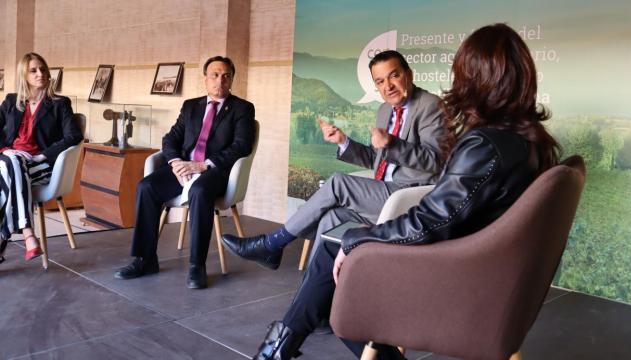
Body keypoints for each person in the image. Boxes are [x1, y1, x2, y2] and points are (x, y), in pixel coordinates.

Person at [250, 23, 561, 360]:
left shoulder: (482, 143)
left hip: (456, 271)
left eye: (461, 74)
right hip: (488, 271)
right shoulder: (533, 143)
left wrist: (361, 238)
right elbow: (438, 203)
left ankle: (282, 338)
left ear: (477, 80)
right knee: (335, 235)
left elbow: (434, 216)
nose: (456, 84)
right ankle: (290, 335)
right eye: (380, 81)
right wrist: (345, 144)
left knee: (340, 251)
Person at [222, 50, 444, 270]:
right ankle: (313, 291)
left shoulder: (430, 106)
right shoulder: (385, 110)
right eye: (380, 81)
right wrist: (343, 142)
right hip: (381, 194)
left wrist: (392, 144)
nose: (388, 85)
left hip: (409, 198)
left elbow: (435, 160)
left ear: (409, 74)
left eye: (394, 75)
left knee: (339, 182)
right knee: (331, 218)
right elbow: (375, 159)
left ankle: (272, 244)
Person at [114, 56, 256, 289]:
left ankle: (196, 265)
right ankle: (145, 259)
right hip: (184, 167)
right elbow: (171, 138)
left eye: (226, 76)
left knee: (200, 192)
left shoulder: (242, 108)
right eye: (215, 75)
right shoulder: (191, 106)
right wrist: (175, 162)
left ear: (231, 80)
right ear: (205, 79)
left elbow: (241, 146)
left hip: (216, 172)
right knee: (146, 187)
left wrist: (205, 164)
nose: (220, 80)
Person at [0, 52, 83, 264]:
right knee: (13, 160)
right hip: (11, 161)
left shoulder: (59, 103)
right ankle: (27, 232)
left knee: (10, 168)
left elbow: (74, 136)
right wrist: (6, 152)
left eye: (43, 69)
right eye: (34, 70)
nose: (41, 74)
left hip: (40, 165)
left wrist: (42, 156)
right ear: (23, 75)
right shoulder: (11, 101)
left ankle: (11, 236)